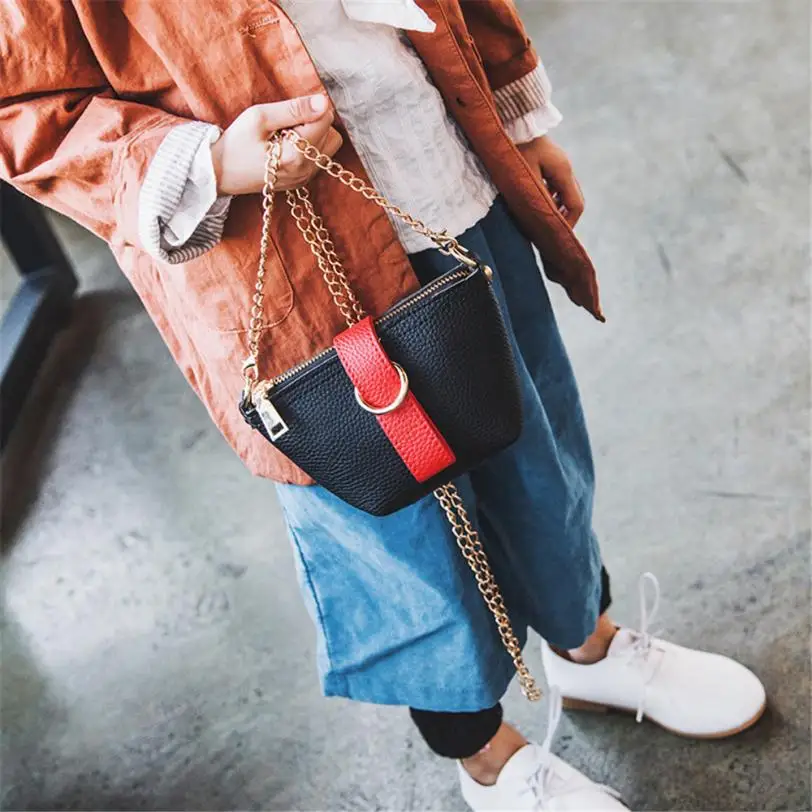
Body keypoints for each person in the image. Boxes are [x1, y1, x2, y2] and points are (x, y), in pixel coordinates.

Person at [1, 1, 767, 808]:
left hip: (445, 177)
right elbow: (26, 106)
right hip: (289, 265)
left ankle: (591, 650)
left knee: (538, 457)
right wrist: (208, 162)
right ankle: (485, 757)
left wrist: (517, 121)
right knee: (398, 536)